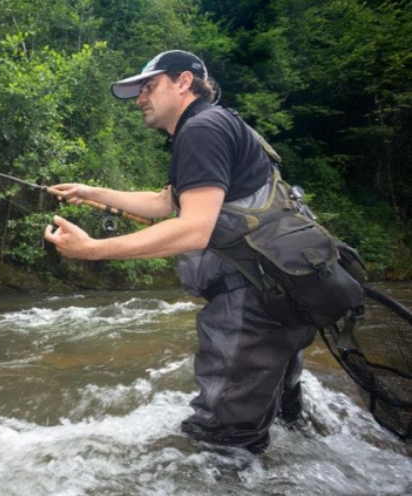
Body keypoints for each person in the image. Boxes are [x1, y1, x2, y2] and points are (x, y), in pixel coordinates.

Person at [43, 50, 317, 452]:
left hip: (251, 303)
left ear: (184, 81)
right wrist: (88, 193)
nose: (139, 99)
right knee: (278, 417)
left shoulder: (201, 130)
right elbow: (163, 203)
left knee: (222, 439)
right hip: (284, 292)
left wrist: (93, 249)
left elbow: (193, 229)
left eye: (148, 87)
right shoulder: (217, 124)